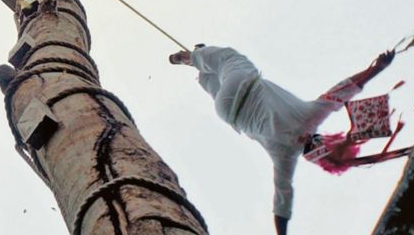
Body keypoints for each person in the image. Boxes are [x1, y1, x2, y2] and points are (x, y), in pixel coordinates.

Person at [168, 45, 397, 235]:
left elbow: (343, 90)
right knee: (215, 82)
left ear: (323, 139)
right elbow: (282, 202)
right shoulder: (286, 156)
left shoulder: (311, 117)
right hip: (227, 111)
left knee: (228, 58)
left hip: (244, 83)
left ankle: (191, 57)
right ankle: (201, 70)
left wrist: (377, 68)